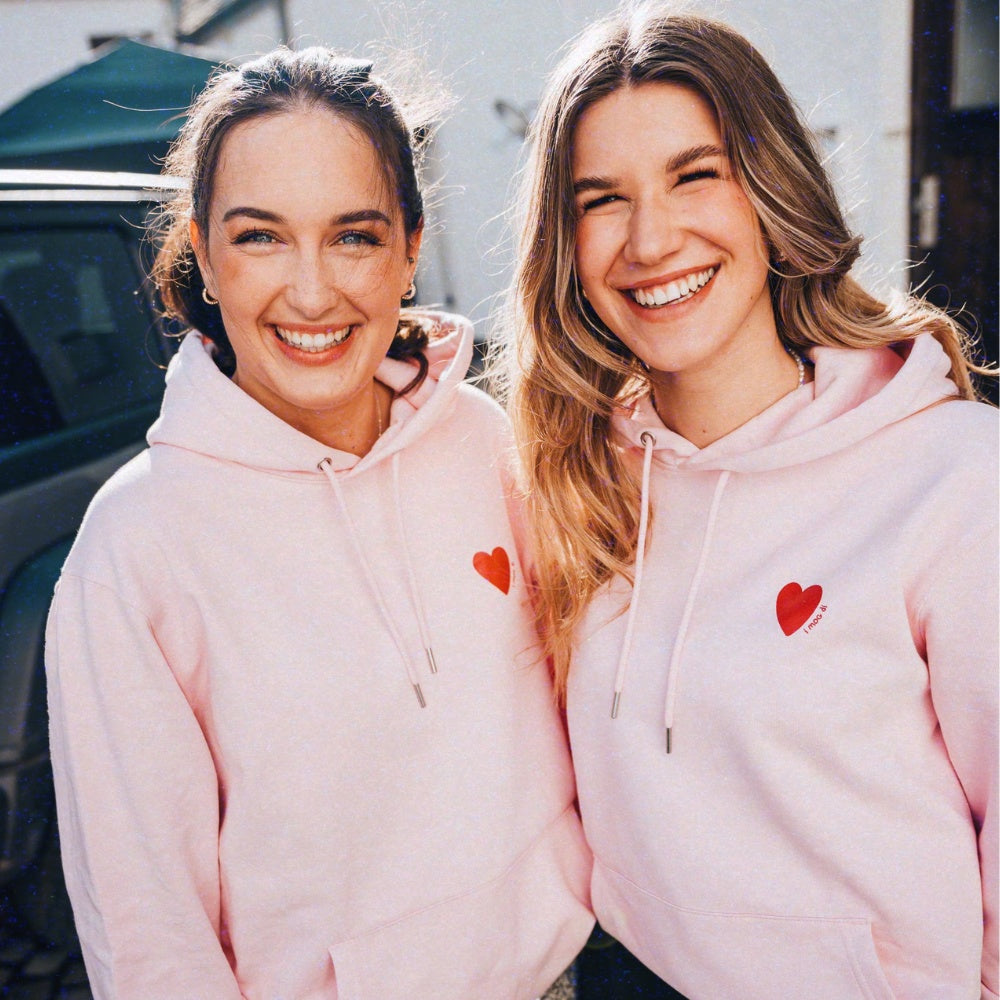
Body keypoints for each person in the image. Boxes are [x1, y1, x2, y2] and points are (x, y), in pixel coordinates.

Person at [45, 47, 593, 999]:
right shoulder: (134, 551)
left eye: (353, 236)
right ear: (204, 254)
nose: (311, 292)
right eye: (260, 237)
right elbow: (148, 933)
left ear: (410, 247)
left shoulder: (482, 441)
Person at [502, 7, 998, 1000]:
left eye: (695, 174)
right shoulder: (576, 479)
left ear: (771, 188)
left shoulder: (954, 477)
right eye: (602, 199)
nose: (648, 239)